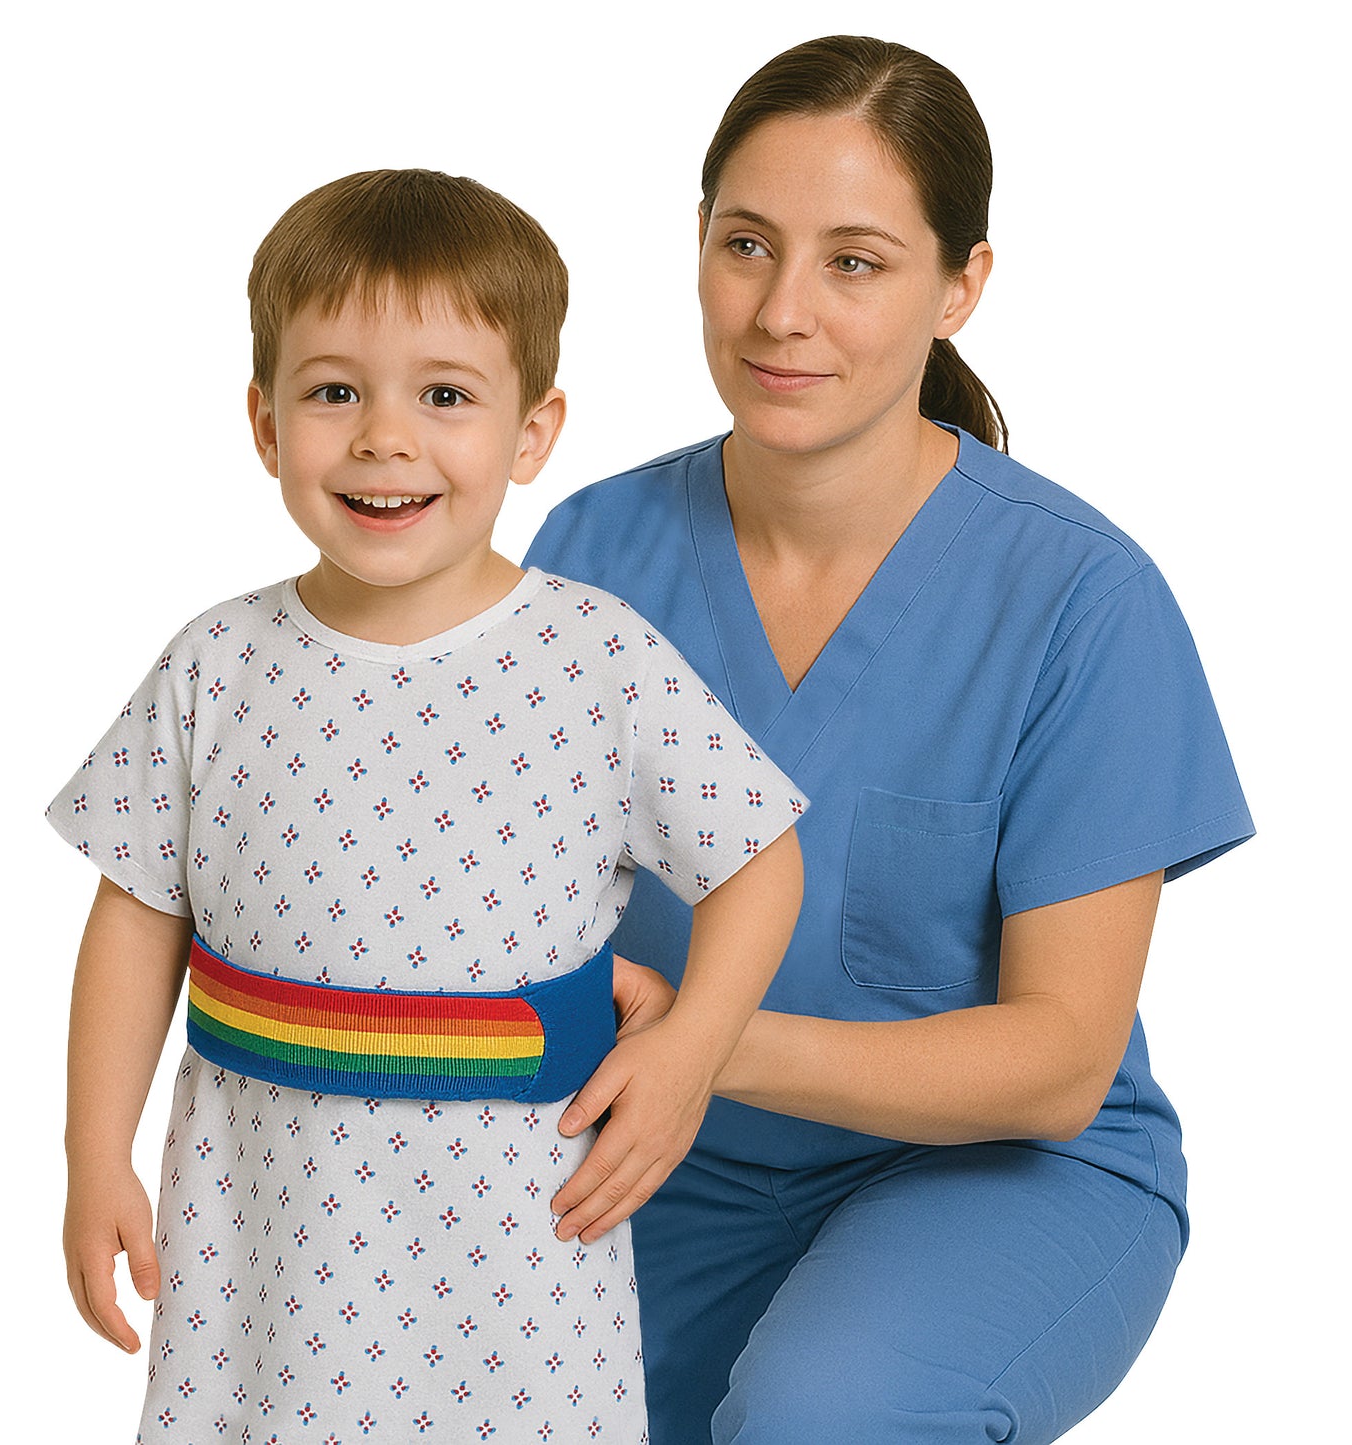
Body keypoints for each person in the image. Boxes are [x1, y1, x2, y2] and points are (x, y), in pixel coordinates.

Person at [526, 34, 1254, 1445]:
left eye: (853, 261)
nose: (781, 309)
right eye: (747, 244)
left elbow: (1055, 1058)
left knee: (821, 1416)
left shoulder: (1079, 598)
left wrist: (707, 1045)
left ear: (959, 286)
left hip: (1006, 1172)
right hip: (670, 1157)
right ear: (696, 246)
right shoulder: (588, 553)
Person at [48, 167, 805, 1444]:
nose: (383, 437)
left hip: (513, 1226)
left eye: (443, 395)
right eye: (334, 390)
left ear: (532, 432)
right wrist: (92, 1154)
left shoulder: (595, 656)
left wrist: (689, 1053)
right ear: (263, 420)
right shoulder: (214, 662)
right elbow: (135, 918)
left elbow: (756, 857)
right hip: (262, 1213)